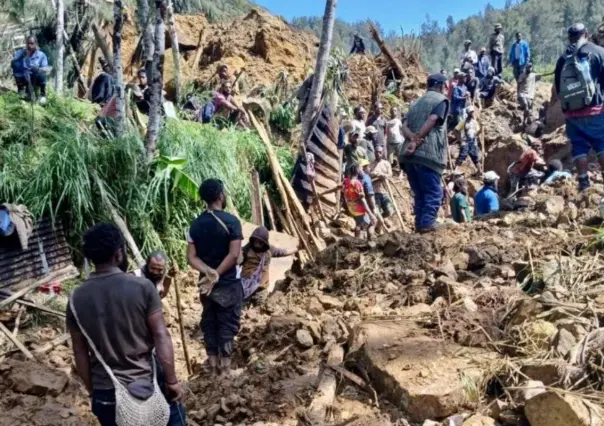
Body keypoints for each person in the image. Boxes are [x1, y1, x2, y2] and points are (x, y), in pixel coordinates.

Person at [67, 223, 185, 426]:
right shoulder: (142, 287)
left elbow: (80, 353)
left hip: (105, 391)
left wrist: (93, 391)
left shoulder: (76, 298)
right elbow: (160, 335)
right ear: (119, 253)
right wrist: (172, 381)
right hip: (147, 384)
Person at [187, 179, 243, 376]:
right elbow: (234, 255)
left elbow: (191, 257)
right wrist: (217, 273)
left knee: (210, 321)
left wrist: (208, 272)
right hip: (227, 283)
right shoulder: (232, 222)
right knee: (228, 322)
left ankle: (212, 367)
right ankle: (225, 369)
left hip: (205, 285)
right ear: (220, 195)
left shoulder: (195, 225)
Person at [554, 23, 604, 191]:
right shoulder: (598, 52)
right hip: (595, 110)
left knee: (579, 147)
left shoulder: (562, 59)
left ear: (570, 38)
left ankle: (583, 182)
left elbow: (559, 88)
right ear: (587, 34)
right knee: (602, 144)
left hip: (572, 115)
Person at [400, 73, 450, 233]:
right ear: (441, 86)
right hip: (427, 155)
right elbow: (432, 119)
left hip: (408, 157)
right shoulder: (441, 101)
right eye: (446, 86)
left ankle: (420, 225)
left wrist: (411, 138)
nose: (447, 89)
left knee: (420, 193)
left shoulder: (415, 103)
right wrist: (417, 140)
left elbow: (404, 125)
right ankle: (427, 223)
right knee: (434, 192)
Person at [240, 226, 298, 303]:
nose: (257, 244)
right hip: (246, 285)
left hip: (261, 287)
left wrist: (296, 249)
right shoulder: (247, 248)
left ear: (264, 242)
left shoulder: (269, 250)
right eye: (255, 241)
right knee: (241, 305)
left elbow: (282, 252)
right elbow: (237, 257)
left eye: (260, 242)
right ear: (252, 240)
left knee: (259, 307)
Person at [11, 36, 49, 104]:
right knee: (16, 65)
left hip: (36, 77)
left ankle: (42, 94)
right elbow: (13, 64)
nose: (29, 46)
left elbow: (44, 69)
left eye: (32, 43)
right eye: (28, 43)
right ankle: (21, 90)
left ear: (36, 44)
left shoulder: (41, 55)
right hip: (23, 77)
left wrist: (36, 69)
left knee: (38, 71)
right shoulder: (20, 52)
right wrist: (21, 57)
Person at [343, 164, 376, 239]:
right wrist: (370, 214)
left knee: (359, 225)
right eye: (361, 168)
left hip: (351, 208)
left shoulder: (346, 181)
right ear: (357, 171)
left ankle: (357, 241)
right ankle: (364, 241)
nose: (362, 170)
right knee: (369, 223)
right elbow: (362, 200)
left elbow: (342, 191)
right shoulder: (357, 183)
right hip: (359, 209)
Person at [370, 146, 395, 227]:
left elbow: (390, 175)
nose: (378, 154)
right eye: (377, 152)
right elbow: (369, 174)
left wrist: (383, 175)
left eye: (380, 152)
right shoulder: (371, 164)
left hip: (385, 191)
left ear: (382, 153)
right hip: (375, 191)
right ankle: (378, 226)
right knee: (377, 211)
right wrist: (376, 175)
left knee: (389, 211)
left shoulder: (386, 163)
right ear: (374, 153)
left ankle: (380, 223)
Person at [455, 106, 482, 175]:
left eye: (473, 112)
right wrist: (460, 140)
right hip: (465, 141)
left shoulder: (475, 122)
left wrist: (481, 129)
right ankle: (456, 170)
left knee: (475, 157)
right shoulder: (464, 122)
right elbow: (455, 130)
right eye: (471, 112)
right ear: (468, 113)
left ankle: (480, 171)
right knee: (462, 155)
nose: (472, 113)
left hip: (473, 142)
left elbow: (477, 133)